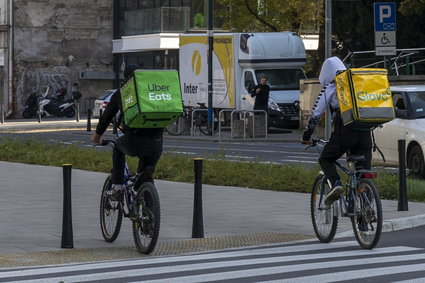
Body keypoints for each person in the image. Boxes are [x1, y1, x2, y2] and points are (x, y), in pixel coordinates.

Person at [301, 57, 372, 205]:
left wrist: (306, 136)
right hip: (365, 132)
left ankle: (336, 184)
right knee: (363, 173)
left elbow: (315, 114)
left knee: (325, 159)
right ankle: (366, 213)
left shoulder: (331, 87)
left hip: (346, 131)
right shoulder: (357, 83)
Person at [91, 64, 163, 198]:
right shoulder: (151, 90)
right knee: (145, 177)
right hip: (157, 143)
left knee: (118, 147)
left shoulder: (123, 92)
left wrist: (97, 135)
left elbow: (106, 117)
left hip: (134, 141)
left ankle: (117, 186)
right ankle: (148, 214)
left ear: (126, 78)